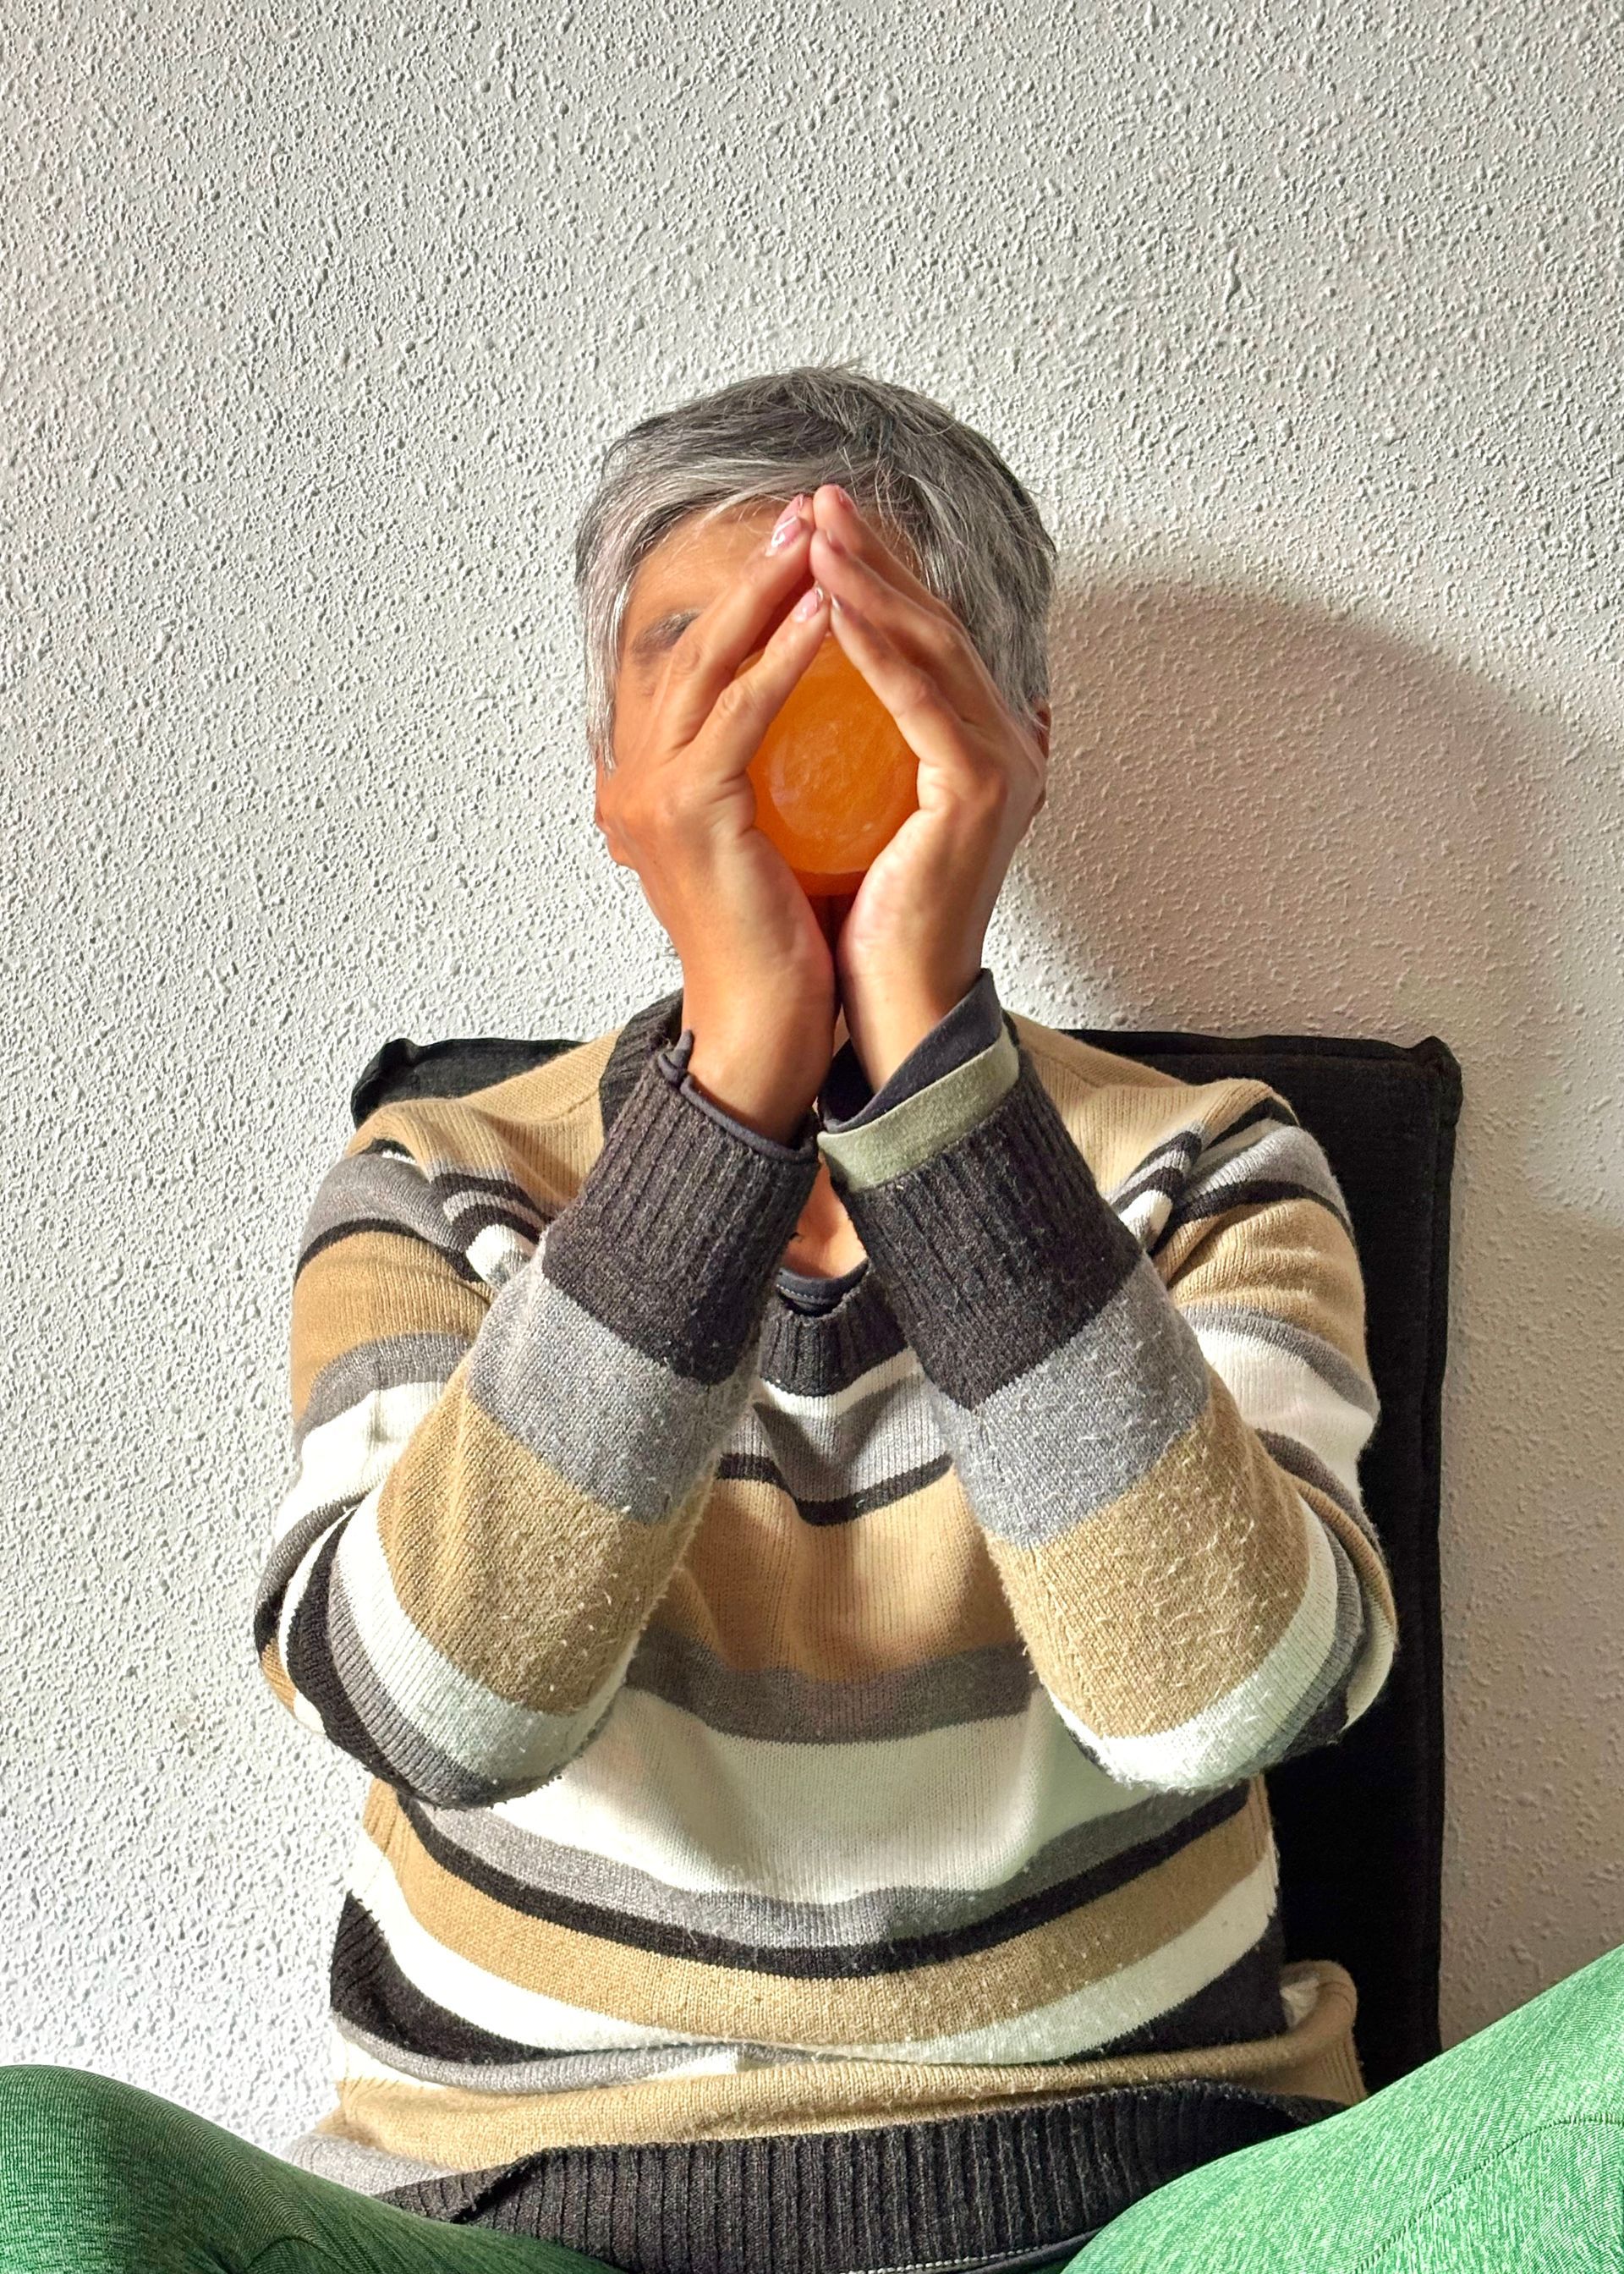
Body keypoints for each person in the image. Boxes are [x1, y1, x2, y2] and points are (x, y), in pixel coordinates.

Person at [3, 365, 1620, 2274]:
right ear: (612, 773)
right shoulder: (439, 1176)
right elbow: (438, 1712)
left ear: (1013, 740)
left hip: (1147, 2205)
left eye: (849, 645)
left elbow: (1224, 1702)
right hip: (524, 2221)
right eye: (696, 653)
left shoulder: (1209, 1162)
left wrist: (931, 1077)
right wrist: (739, 1084)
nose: (769, 708)